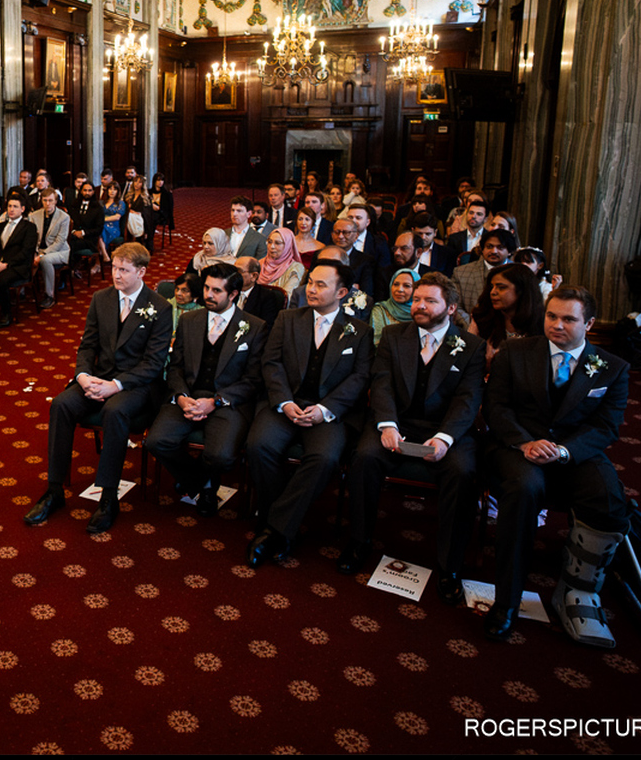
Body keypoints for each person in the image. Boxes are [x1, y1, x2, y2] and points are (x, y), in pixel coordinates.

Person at [482, 287, 632, 646]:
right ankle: (507, 600)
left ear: (590, 323)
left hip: (574, 451)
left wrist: (564, 452)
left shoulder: (612, 368)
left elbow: (605, 427)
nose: (557, 325)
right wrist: (525, 442)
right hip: (517, 447)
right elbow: (496, 408)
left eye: (568, 319)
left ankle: (580, 589)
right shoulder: (516, 353)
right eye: (552, 316)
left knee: (608, 495)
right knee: (524, 489)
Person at [340, 272, 486, 604]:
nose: (418, 305)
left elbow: (467, 399)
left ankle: (450, 566)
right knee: (364, 457)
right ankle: (359, 541)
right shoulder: (394, 335)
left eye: (429, 300)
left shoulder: (470, 347)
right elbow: (382, 383)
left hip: (447, 429)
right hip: (397, 423)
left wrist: (445, 438)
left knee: (463, 473)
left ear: (450, 308)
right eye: (417, 298)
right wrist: (387, 424)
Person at [24, 242, 173, 535]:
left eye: (124, 270)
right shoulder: (101, 299)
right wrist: (82, 377)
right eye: (114, 268)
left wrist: (114, 386)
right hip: (97, 378)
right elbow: (87, 345)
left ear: (141, 271)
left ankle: (107, 497)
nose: (116, 275)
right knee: (61, 404)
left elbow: (153, 364)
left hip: (135, 384)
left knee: (115, 411)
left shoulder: (160, 307)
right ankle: (54, 490)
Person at [245, 259, 373, 567]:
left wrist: (325, 410)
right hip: (286, 402)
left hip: (329, 411)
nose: (310, 289)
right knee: (258, 446)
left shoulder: (359, 331)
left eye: (320, 285)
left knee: (325, 458)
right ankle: (284, 527)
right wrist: (285, 402)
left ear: (342, 292)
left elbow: (359, 378)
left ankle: (273, 527)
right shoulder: (288, 318)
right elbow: (271, 363)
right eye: (310, 282)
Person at [145, 262, 268, 516]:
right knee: (156, 441)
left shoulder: (254, 327)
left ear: (233, 294)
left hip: (227, 402)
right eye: (206, 288)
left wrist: (216, 401)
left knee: (222, 456)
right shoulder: (190, 320)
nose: (208, 295)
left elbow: (254, 379)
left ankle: (199, 480)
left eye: (216, 291)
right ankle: (204, 483)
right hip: (188, 396)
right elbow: (176, 366)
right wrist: (180, 397)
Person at [468, 262, 544, 367]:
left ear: (522, 290)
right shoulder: (482, 317)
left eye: (501, 287)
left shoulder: (541, 322)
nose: (493, 292)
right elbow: (468, 357)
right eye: (492, 287)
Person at [0, 192, 37, 327]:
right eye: (9, 206)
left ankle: (6, 314)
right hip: (0, 264)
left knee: (0, 280)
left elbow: (26, 252)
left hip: (19, 266)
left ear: (22, 209)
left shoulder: (29, 227)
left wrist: (6, 264)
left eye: (15, 206)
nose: (11, 209)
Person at [30, 187, 70, 309]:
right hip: (39, 249)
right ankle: (21, 291)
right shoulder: (34, 216)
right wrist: (35, 253)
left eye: (50, 200)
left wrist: (42, 255)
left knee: (45, 260)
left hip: (59, 251)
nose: (48, 203)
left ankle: (49, 295)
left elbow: (59, 242)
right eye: (45, 200)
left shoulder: (64, 217)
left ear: (55, 201)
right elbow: (31, 238)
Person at [370, 267, 419, 345]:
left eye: (407, 286)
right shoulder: (381, 309)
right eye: (395, 284)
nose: (399, 289)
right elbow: (377, 343)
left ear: (416, 289)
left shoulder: (420, 311)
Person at [256, 228, 307, 298]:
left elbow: (286, 297)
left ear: (288, 245)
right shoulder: (260, 263)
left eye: (277, 243)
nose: (272, 246)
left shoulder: (296, 268)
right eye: (270, 242)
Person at [99, 183, 127, 261]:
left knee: (100, 229)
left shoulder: (121, 203)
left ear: (118, 191)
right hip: (101, 225)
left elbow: (117, 217)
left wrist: (102, 220)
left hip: (113, 228)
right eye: (110, 189)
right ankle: (101, 255)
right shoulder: (102, 202)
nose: (112, 191)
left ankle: (103, 254)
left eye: (115, 189)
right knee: (97, 230)